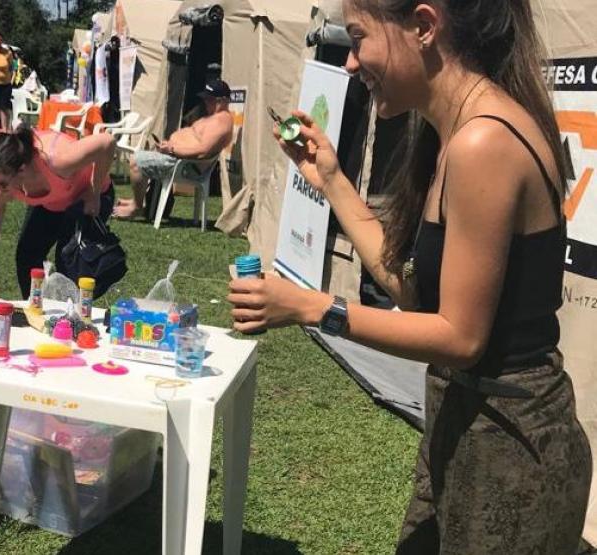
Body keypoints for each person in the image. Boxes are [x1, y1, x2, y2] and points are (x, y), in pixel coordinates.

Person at [227, 1, 591, 553]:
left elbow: (460, 337)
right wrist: (332, 179)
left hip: (513, 449)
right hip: (470, 428)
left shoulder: (483, 142)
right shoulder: (455, 134)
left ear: (423, 26)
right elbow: (416, 291)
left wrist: (313, 308)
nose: (351, 63)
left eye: (358, 38)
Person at [0, 127, 116, 302]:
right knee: (27, 256)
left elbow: (106, 143)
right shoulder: (0, 187)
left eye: (0, 183)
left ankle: (71, 319)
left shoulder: (58, 161)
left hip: (89, 195)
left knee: (70, 262)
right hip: (52, 201)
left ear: (21, 170)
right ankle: (34, 309)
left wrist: (93, 192)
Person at [112, 78, 234, 219]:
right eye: (205, 99)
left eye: (210, 99)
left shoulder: (222, 120)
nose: (206, 102)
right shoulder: (214, 117)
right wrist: (169, 146)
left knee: (136, 160)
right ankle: (140, 201)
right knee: (144, 156)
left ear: (222, 100)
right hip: (178, 160)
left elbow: (203, 151)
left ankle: (137, 207)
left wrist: (171, 149)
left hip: (186, 167)